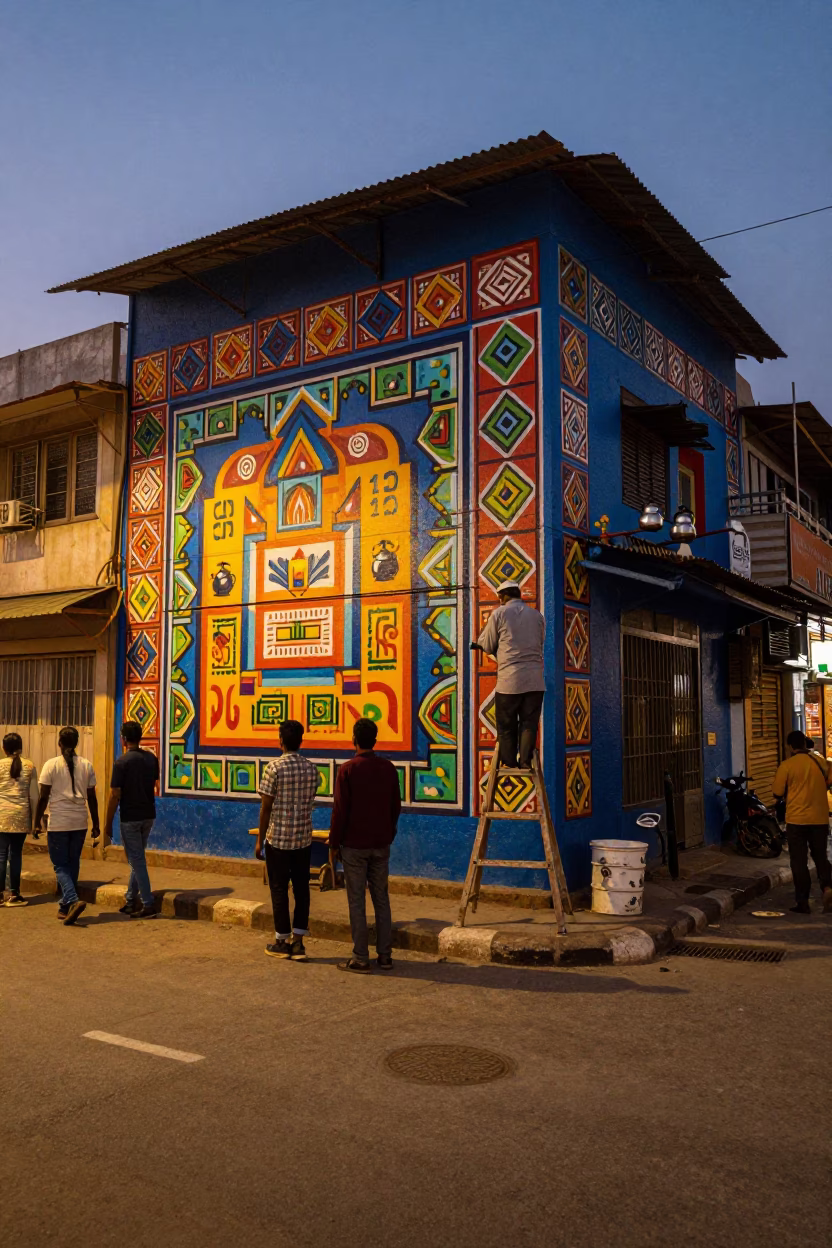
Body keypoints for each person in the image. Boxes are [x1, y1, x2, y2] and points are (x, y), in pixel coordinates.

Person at [328, 717, 401, 974]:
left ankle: (361, 956)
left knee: (356, 901)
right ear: (375, 740)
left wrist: (334, 843)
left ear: (354, 740)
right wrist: (388, 833)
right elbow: (395, 807)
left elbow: (340, 811)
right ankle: (385, 955)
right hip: (381, 843)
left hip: (354, 846)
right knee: (381, 898)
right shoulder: (388, 768)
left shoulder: (347, 770)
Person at [256, 719, 320, 962]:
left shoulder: (273, 768)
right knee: (302, 890)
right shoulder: (312, 769)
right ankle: (299, 943)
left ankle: (281, 940)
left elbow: (266, 808)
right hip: (303, 840)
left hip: (278, 841)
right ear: (301, 741)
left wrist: (259, 839)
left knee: (279, 889)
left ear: (280, 741)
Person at [472, 580, 546, 769]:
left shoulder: (500, 613)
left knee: (506, 725)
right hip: (535, 682)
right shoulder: (537, 616)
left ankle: (509, 762)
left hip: (509, 681)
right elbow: (540, 643)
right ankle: (525, 761)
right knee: (529, 724)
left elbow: (487, 645)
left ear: (502, 596)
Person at [34, 726, 99, 925]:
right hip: (80, 822)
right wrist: (96, 824)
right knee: (73, 862)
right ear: (77, 743)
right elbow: (92, 798)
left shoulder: (50, 765)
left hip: (59, 823)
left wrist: (36, 822)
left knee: (60, 865)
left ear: (59, 743)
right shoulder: (87, 765)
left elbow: (43, 796)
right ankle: (65, 907)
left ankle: (71, 898)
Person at [772, 729, 832, 914]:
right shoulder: (821, 762)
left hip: (797, 820)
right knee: (821, 857)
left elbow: (777, 792)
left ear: (790, 746)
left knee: (799, 861)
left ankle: (803, 902)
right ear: (805, 744)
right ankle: (828, 888)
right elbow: (829, 782)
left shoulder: (787, 765)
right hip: (820, 818)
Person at [104, 720, 160, 920]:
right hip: (148, 815)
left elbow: (114, 795)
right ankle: (130, 899)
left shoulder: (121, 763)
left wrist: (107, 823)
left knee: (137, 860)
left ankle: (147, 903)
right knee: (137, 859)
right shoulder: (152, 759)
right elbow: (152, 782)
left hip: (130, 817)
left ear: (123, 739)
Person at [0, 733, 38, 907]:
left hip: (2, 816)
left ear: (4, 748)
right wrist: (36, 821)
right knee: (15, 854)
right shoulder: (30, 766)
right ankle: (14, 894)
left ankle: (0, 895)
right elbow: (34, 797)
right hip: (21, 817)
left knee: (1, 855)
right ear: (20, 747)